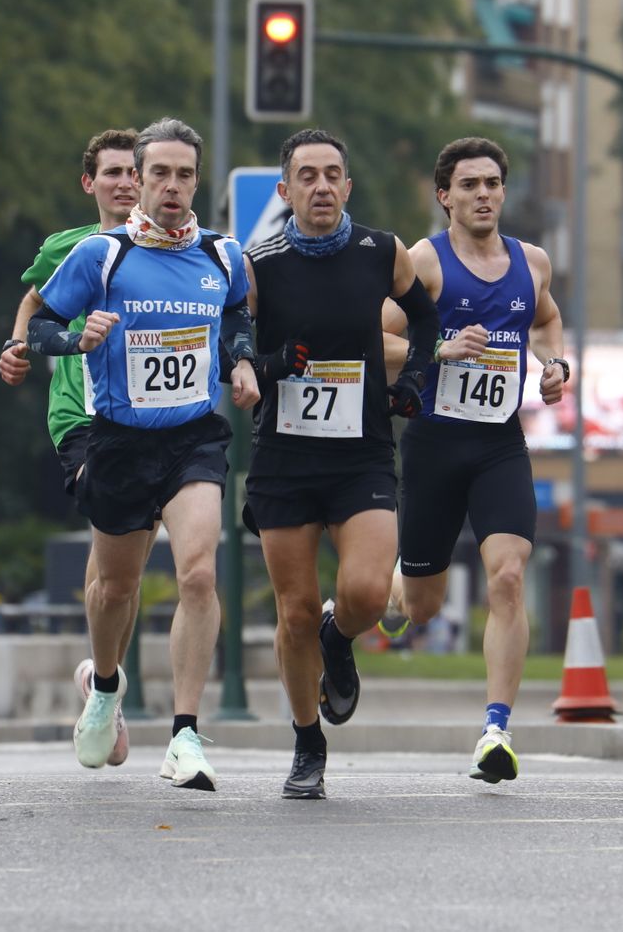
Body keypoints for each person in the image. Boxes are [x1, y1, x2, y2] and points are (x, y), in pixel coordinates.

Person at [30, 116, 259, 791]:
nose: (172, 186)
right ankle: (105, 686)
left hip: (194, 437)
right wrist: (77, 340)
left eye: (184, 174)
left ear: (198, 181)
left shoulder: (223, 255)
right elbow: (39, 325)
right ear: (139, 178)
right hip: (120, 440)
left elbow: (238, 315)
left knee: (198, 575)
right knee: (116, 588)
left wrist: (243, 361)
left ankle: (184, 734)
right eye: (159, 173)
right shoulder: (102, 256)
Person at [244, 128, 440, 799]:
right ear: (285, 190)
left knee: (366, 592)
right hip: (284, 457)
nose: (321, 186)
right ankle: (307, 743)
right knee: (294, 611)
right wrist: (272, 365)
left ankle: (339, 638)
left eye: (332, 175)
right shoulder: (258, 265)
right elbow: (231, 351)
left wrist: (415, 378)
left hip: (361, 454)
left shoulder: (381, 252)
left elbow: (426, 320)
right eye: (307, 176)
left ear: (348, 187)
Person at [375, 137, 568, 783]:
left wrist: (555, 364)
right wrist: (439, 348)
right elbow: (373, 338)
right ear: (445, 197)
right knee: (422, 608)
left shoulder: (532, 262)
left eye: (492, 183)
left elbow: (546, 320)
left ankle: (496, 730)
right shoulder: (424, 263)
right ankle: (393, 591)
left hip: (498, 443)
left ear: (503, 191)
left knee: (508, 575)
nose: (483, 194)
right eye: (468, 185)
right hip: (433, 442)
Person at [0, 128, 146, 768]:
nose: (125, 182)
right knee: (109, 531)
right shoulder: (69, 247)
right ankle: (106, 688)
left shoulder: (175, 247)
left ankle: (101, 681)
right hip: (81, 416)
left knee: (126, 565)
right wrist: (17, 346)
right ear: (90, 183)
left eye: (134, 171)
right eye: (112, 172)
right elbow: (35, 301)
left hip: (151, 420)